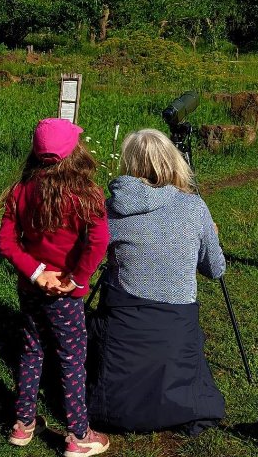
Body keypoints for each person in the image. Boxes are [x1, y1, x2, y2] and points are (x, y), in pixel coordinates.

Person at [86, 128, 226, 435]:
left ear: (129, 164)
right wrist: (209, 235)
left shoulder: (110, 211)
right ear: (173, 161)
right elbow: (215, 269)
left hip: (125, 330)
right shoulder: (193, 207)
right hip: (175, 328)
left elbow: (87, 265)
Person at [0, 118, 110, 457]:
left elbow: (6, 242)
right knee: (73, 359)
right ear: (75, 152)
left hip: (32, 289)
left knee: (32, 350)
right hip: (65, 294)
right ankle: (78, 435)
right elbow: (100, 239)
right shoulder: (86, 194)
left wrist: (36, 272)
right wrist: (76, 278)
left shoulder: (21, 191)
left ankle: (23, 423)